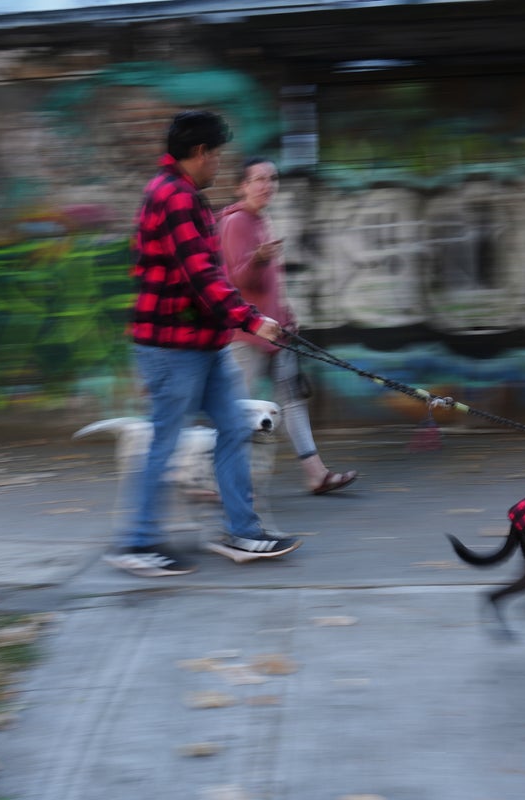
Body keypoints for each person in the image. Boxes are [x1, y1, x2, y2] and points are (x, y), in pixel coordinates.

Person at [104, 111, 301, 578]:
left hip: (202, 343)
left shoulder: (182, 194)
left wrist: (243, 321)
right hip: (171, 346)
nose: (219, 163)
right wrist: (252, 321)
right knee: (165, 441)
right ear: (199, 153)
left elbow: (207, 277)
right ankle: (138, 543)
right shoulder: (172, 197)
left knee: (232, 429)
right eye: (217, 154)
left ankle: (242, 532)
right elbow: (202, 277)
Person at [219, 157, 358, 495]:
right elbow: (237, 281)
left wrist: (287, 316)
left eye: (272, 178)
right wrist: (259, 258)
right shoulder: (235, 222)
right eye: (259, 179)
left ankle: (316, 474)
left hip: (277, 332)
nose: (267, 185)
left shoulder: (262, 220)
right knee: (238, 411)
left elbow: (270, 285)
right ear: (242, 186)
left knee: (293, 402)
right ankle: (220, 480)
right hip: (246, 335)